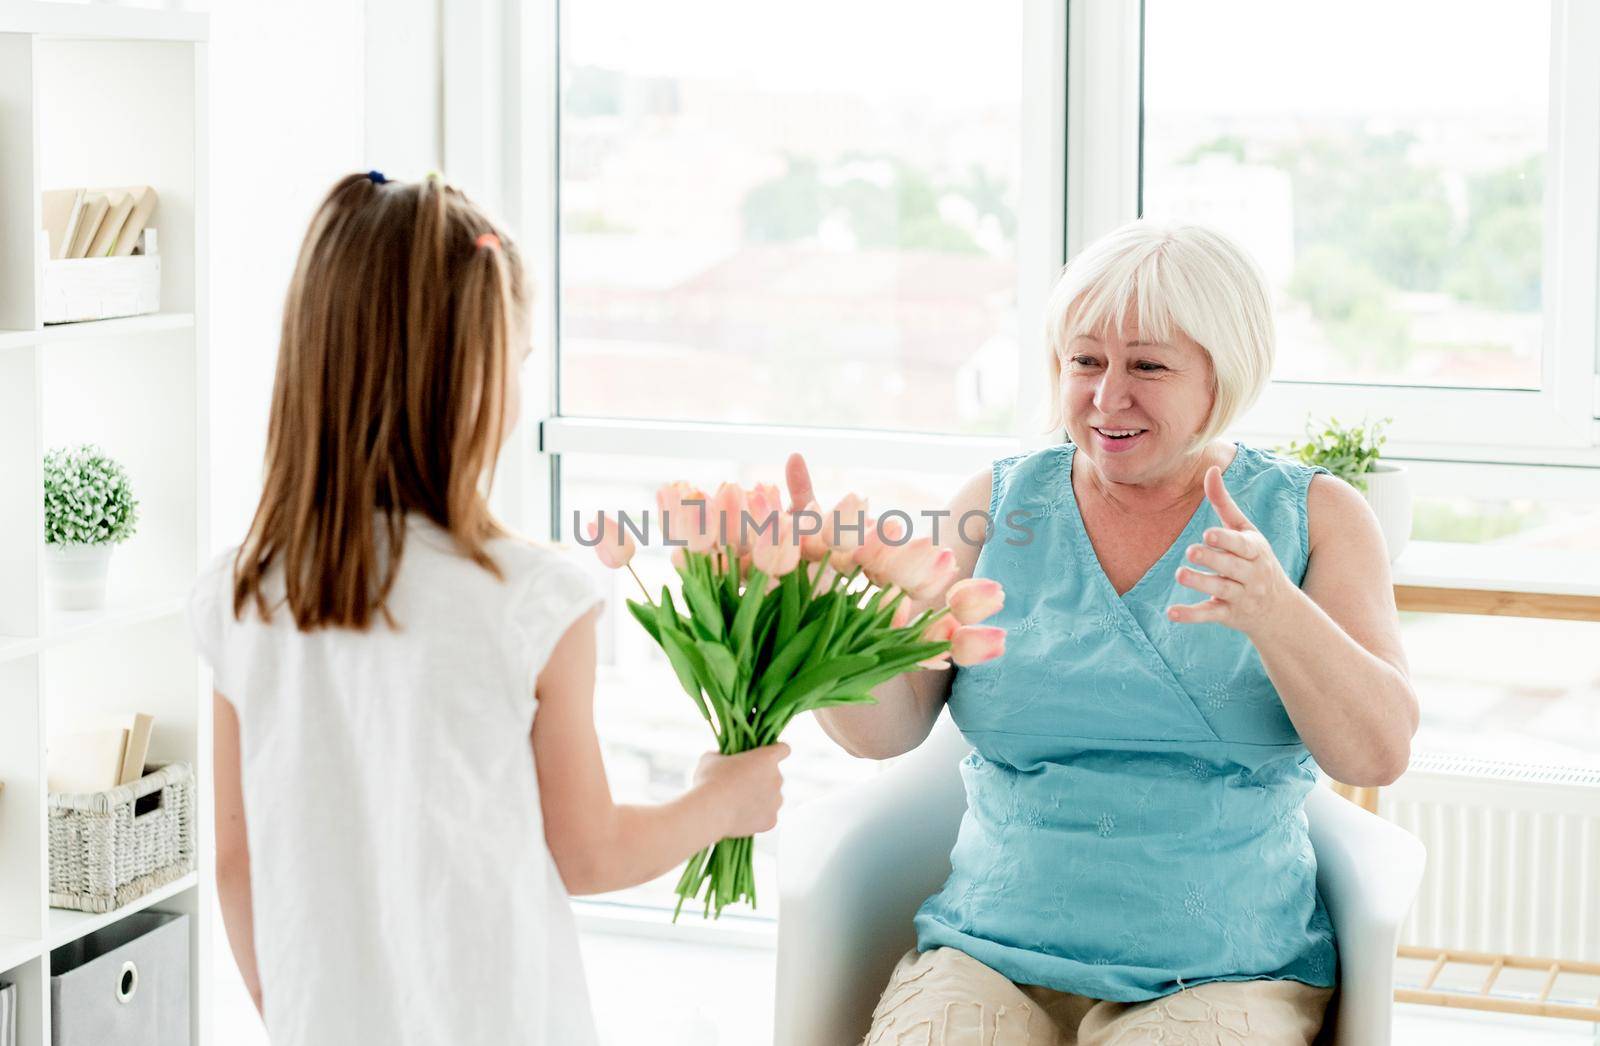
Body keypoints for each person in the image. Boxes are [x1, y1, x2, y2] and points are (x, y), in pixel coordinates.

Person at [191, 172, 788, 1045]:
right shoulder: (533, 599)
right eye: (520, 357)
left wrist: (294, 1007)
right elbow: (588, 854)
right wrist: (719, 802)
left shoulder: (243, 592)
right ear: (475, 377)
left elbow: (238, 864)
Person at [793, 220, 1418, 1044]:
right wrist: (827, 615)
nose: (1105, 396)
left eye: (1148, 365)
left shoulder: (1318, 515)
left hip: (1225, 967)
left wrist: (1275, 611)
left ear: (1221, 375)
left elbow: (1378, 753)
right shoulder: (998, 505)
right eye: (1086, 360)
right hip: (988, 952)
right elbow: (886, 729)